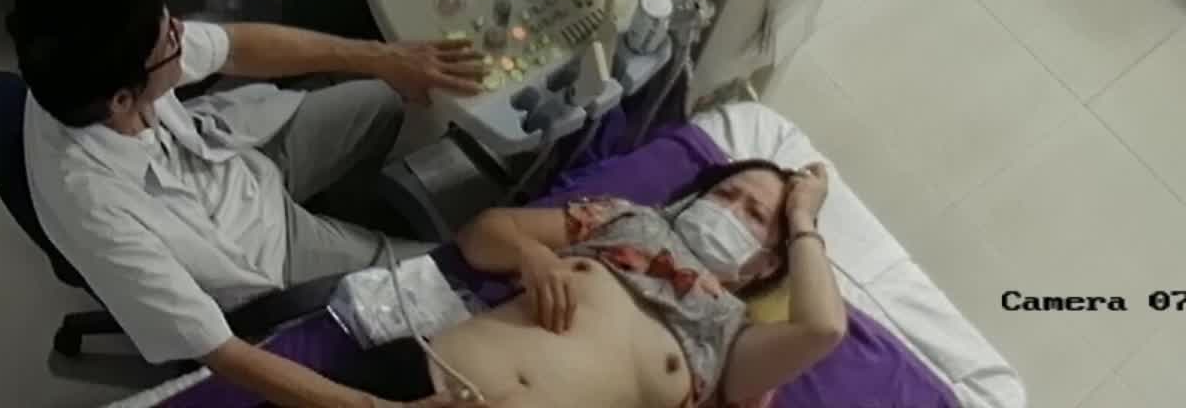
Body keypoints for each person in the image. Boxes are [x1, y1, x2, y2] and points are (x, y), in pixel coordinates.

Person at [16, 0, 485, 408]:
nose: (183, 33)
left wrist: (384, 57)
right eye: (171, 43)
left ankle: (345, 220)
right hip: (260, 248)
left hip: (229, 151)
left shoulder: (92, 65)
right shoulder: (98, 213)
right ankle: (345, 259)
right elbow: (224, 355)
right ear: (122, 100)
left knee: (381, 100)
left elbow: (234, 46)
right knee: (454, 282)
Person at [323, 159, 846, 408]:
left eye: (755, 215)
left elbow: (823, 328)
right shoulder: (629, 221)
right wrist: (531, 256)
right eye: (726, 194)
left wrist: (803, 214)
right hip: (425, 376)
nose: (728, 211)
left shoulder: (735, 339)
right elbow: (480, 237)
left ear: (765, 265)